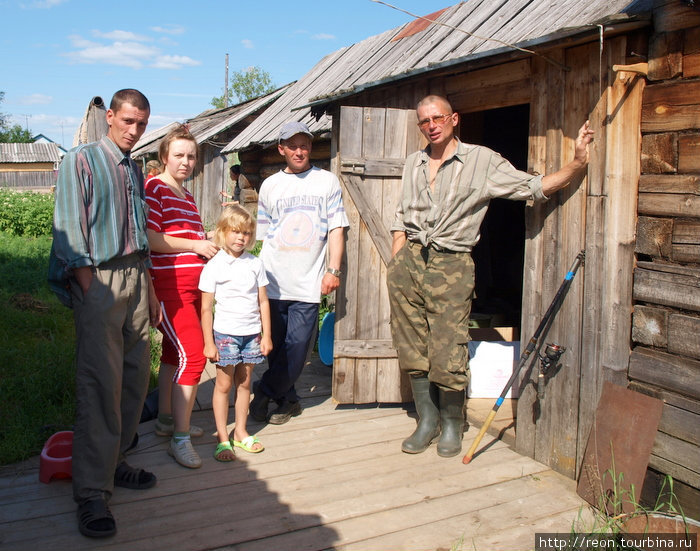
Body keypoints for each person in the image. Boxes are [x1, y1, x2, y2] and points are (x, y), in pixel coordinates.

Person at [387, 95, 594, 458]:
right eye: (424, 121)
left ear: (454, 119)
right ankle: (427, 421)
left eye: (437, 118)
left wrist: (577, 164)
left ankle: (453, 422)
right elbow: (401, 216)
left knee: (448, 344)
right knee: (410, 341)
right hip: (409, 263)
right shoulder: (413, 163)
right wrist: (396, 258)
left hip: (451, 264)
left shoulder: (482, 160)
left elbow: (533, 187)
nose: (431, 125)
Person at [49, 88, 162, 538]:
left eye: (142, 123)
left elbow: (138, 232)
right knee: (100, 382)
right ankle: (92, 492)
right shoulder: (80, 160)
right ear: (110, 117)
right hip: (99, 279)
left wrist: (150, 288)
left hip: (137, 279)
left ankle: (115, 464)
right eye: (128, 121)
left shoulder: (133, 168)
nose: (134, 131)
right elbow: (69, 229)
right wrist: (88, 287)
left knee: (135, 378)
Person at [251, 121, 349, 425]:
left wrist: (333, 269)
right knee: (276, 348)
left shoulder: (327, 182)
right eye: (292, 145)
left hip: (308, 280)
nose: (299, 150)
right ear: (281, 149)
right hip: (273, 279)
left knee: (297, 350)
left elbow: (336, 229)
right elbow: (264, 236)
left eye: (304, 144)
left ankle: (264, 390)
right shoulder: (270, 186)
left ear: (310, 147)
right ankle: (289, 400)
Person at [145, 124, 218, 469]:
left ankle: (166, 421)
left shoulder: (187, 197)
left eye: (191, 156)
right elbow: (152, 239)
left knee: (174, 355)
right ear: (164, 157)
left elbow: (195, 240)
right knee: (195, 356)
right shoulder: (154, 188)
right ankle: (180, 440)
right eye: (179, 155)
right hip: (169, 289)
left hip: (193, 289)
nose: (186, 162)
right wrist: (195, 245)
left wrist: (210, 247)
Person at [199, 205, 272, 461]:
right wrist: (209, 342)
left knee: (244, 384)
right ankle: (222, 437)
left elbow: (263, 301)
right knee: (224, 384)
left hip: (251, 334)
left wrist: (267, 335)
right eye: (235, 232)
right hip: (225, 335)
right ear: (222, 232)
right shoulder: (214, 266)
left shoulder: (255, 264)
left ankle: (240, 431)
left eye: (246, 233)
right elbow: (206, 307)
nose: (241, 237)